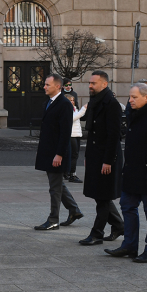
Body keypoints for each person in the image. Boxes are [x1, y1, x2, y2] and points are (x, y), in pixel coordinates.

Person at [106, 82, 147, 263]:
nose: (130, 100)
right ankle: (129, 245)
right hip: (133, 173)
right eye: (130, 96)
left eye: (134, 97)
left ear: (146, 97)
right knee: (127, 207)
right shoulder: (134, 115)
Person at [79, 70, 125, 246]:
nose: (90, 86)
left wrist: (108, 161)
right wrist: (88, 156)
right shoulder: (95, 102)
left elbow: (114, 136)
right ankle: (119, 225)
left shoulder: (111, 104)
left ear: (104, 84)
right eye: (89, 83)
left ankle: (97, 233)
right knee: (100, 195)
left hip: (107, 157)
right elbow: (91, 134)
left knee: (103, 196)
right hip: (95, 155)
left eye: (93, 83)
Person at [33, 73, 83, 230]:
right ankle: (74, 210)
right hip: (48, 150)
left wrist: (59, 154)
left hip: (57, 152)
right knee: (57, 183)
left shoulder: (64, 104)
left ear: (58, 86)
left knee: (55, 187)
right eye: (45, 84)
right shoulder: (50, 102)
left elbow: (65, 131)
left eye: (47, 84)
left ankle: (53, 219)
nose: (44, 87)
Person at [66, 93, 86, 184]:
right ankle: (72, 174)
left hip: (76, 134)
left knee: (73, 155)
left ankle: (67, 172)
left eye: (73, 100)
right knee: (74, 155)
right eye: (70, 100)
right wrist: (84, 109)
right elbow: (72, 118)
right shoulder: (66, 109)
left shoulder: (74, 109)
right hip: (71, 135)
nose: (72, 102)